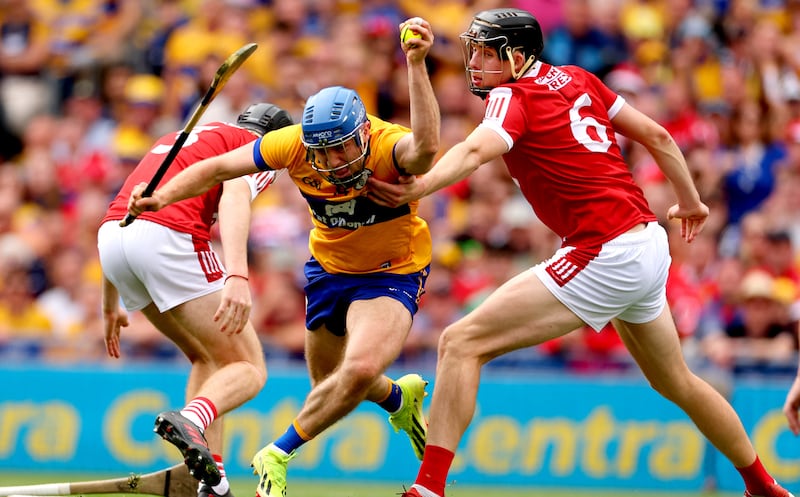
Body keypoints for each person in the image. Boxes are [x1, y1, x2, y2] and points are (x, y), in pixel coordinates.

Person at [366, 8, 795, 497]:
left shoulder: (510, 94)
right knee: (677, 381)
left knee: (460, 343)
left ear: (519, 56)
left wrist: (419, 185)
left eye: (488, 52)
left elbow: (473, 152)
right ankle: (763, 486)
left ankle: (428, 488)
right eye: (475, 51)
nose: (476, 63)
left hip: (606, 248)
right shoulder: (578, 78)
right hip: (646, 243)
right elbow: (657, 135)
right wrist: (691, 200)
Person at [126, 17, 440, 497]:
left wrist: (415, 65)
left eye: (341, 150)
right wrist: (162, 197)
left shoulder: (386, 144)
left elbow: (426, 149)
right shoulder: (292, 144)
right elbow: (218, 168)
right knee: (332, 383)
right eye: (323, 152)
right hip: (328, 272)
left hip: (390, 273)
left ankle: (277, 452)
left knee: (355, 372)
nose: (332, 162)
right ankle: (399, 397)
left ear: (362, 133)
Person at [98, 102, 294, 497]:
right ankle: (191, 419)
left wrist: (108, 305)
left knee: (211, 358)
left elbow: (123, 215)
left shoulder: (180, 139)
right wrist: (238, 274)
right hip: (169, 236)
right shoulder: (257, 150)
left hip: (112, 242)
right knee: (249, 366)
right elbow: (235, 194)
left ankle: (211, 480)